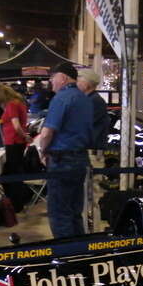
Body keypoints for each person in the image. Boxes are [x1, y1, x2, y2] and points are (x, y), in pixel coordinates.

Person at [37, 62, 93, 238]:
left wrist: (42, 150)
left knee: (59, 214)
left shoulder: (61, 98)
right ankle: (80, 254)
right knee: (74, 212)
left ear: (62, 77)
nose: (51, 82)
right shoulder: (85, 99)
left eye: (52, 78)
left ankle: (66, 257)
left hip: (62, 161)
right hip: (80, 159)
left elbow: (47, 132)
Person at [0, 83, 31, 212]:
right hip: (16, 142)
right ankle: (16, 202)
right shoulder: (18, 102)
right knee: (14, 172)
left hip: (14, 142)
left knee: (11, 174)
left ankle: (15, 204)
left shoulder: (11, 105)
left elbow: (16, 125)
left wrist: (24, 136)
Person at [77, 69, 110, 151]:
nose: (76, 85)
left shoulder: (94, 101)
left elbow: (81, 123)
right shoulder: (88, 99)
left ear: (86, 84)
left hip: (92, 150)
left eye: (78, 81)